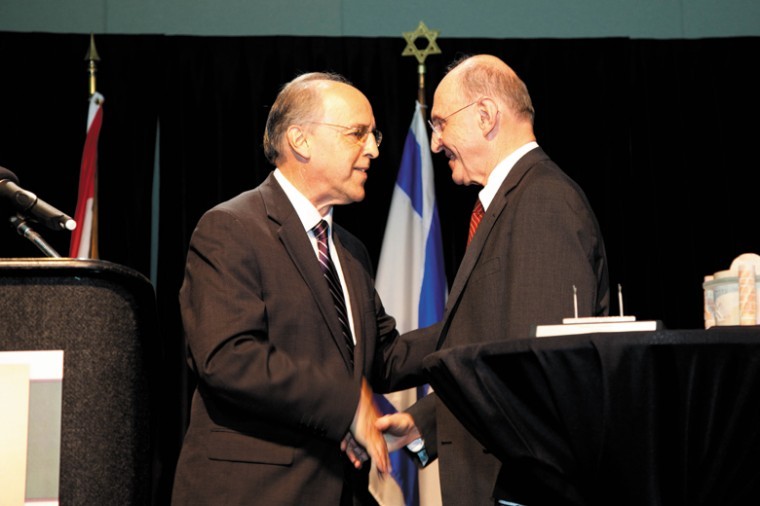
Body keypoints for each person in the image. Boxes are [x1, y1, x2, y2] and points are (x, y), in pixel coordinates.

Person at [171, 72, 435, 506]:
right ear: (300, 140)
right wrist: (348, 405)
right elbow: (229, 359)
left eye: (374, 135)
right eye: (358, 134)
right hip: (253, 494)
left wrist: (468, 327)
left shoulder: (349, 250)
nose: (373, 149)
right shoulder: (231, 228)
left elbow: (382, 357)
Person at [377, 54, 610, 504]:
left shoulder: (542, 201)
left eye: (441, 123)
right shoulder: (511, 201)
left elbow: (535, 369)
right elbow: (487, 339)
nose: (435, 142)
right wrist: (423, 418)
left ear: (485, 116)